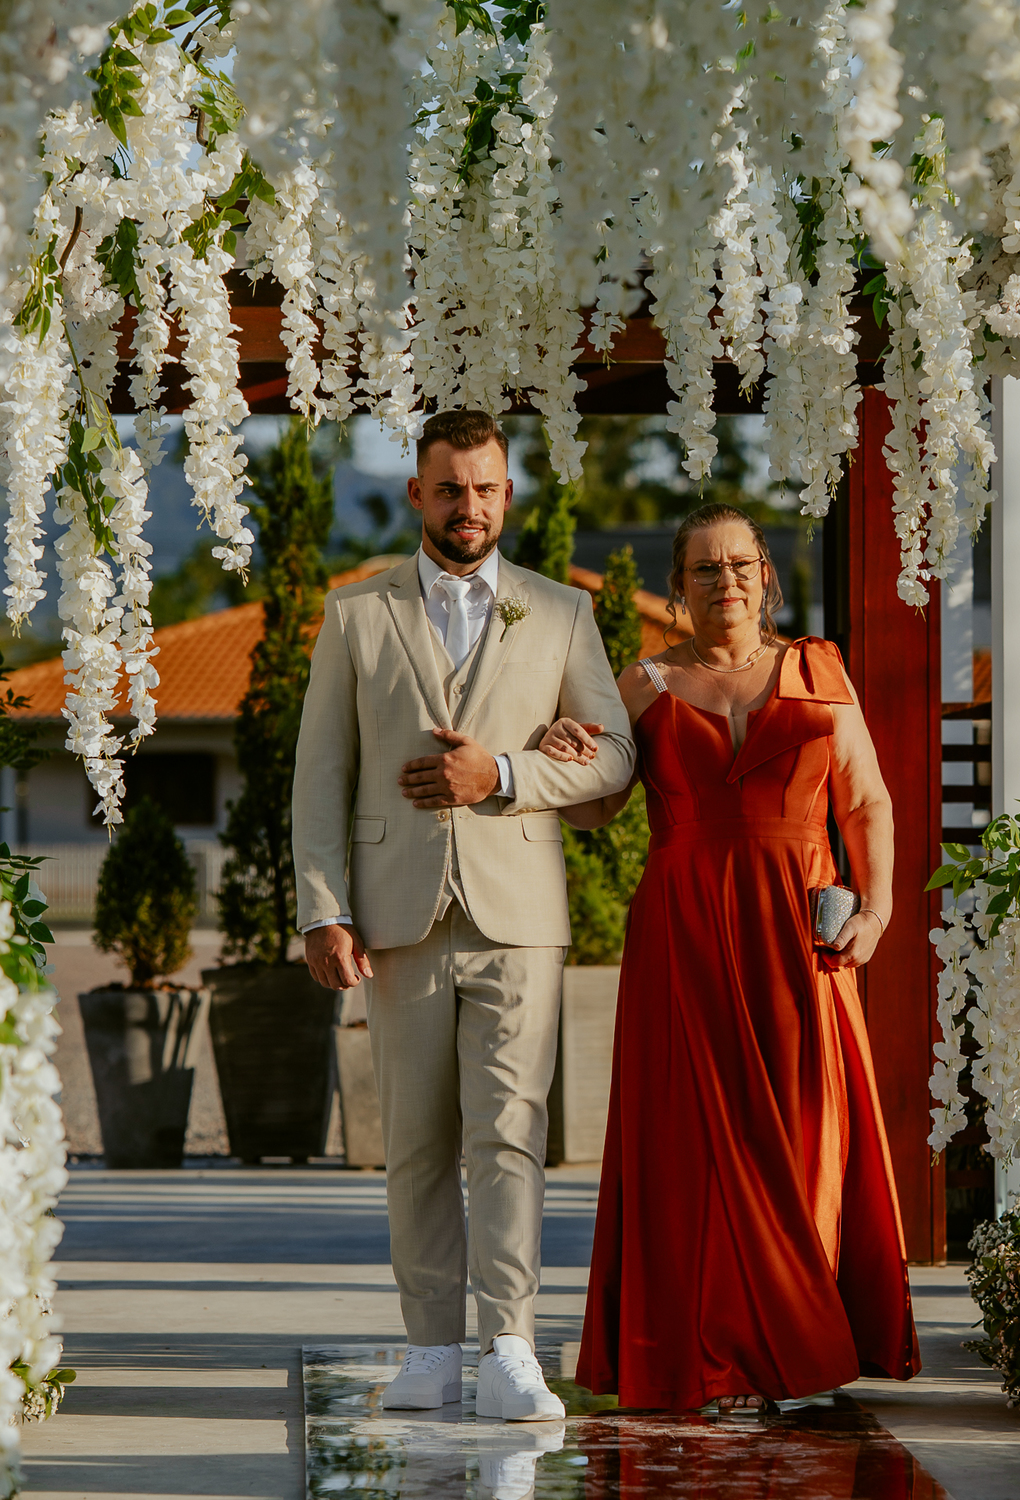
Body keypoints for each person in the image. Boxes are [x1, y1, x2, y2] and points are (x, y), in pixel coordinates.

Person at [537, 501, 921, 1411]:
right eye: (705, 568)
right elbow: (595, 809)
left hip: (800, 930)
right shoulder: (641, 685)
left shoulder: (820, 670)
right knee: (692, 1148)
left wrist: (876, 912)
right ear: (679, 585)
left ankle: (800, 1339)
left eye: (741, 563)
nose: (726, 581)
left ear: (765, 574)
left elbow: (867, 802)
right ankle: (715, 1353)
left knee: (805, 1133)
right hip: (683, 934)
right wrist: (554, 753)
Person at [292, 409, 636, 1421]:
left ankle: (512, 1347)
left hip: (517, 911)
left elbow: (617, 756)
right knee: (414, 1142)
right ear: (417, 494)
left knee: (511, 1135)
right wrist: (322, 910)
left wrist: (508, 774)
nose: (469, 507)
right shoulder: (356, 615)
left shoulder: (560, 613)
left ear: (507, 496)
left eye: (485, 489)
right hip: (394, 915)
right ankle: (432, 1349)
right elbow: (321, 776)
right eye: (450, 489)